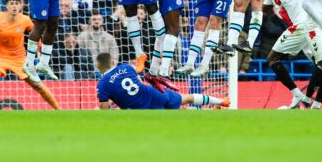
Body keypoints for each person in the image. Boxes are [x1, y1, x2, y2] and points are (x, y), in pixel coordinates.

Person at [96, 53, 229, 110]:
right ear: (113, 62)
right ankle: (221, 101)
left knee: (177, 113)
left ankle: (210, 110)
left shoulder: (102, 86)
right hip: (152, 94)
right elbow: (139, 78)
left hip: (138, 109)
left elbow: (105, 110)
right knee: (185, 98)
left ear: (98, 66)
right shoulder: (125, 67)